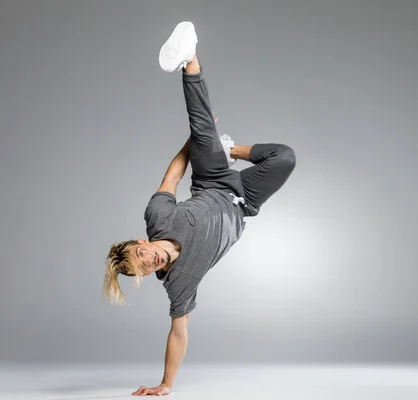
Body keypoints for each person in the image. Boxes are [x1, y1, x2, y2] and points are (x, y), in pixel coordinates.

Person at [102, 21, 296, 396]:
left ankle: (190, 59)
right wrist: (165, 384)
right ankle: (226, 145)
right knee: (285, 158)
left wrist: (194, 142)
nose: (149, 261)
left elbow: (173, 177)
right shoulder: (179, 284)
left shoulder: (158, 218)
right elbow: (178, 332)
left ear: (143, 241)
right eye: (143, 268)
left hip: (213, 180)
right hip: (244, 203)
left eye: (142, 254)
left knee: (202, 128)